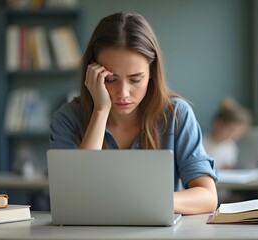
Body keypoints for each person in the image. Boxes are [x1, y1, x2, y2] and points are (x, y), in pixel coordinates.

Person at [49, 11, 218, 214]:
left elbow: (208, 197)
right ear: (92, 73)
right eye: (110, 79)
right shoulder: (67, 119)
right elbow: (74, 197)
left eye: (135, 79)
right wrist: (100, 110)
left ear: (152, 74)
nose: (123, 93)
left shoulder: (177, 115)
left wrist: (146, 200)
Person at [203, 98, 251, 170]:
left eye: (238, 133)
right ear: (218, 123)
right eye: (231, 130)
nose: (235, 137)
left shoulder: (230, 146)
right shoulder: (202, 143)